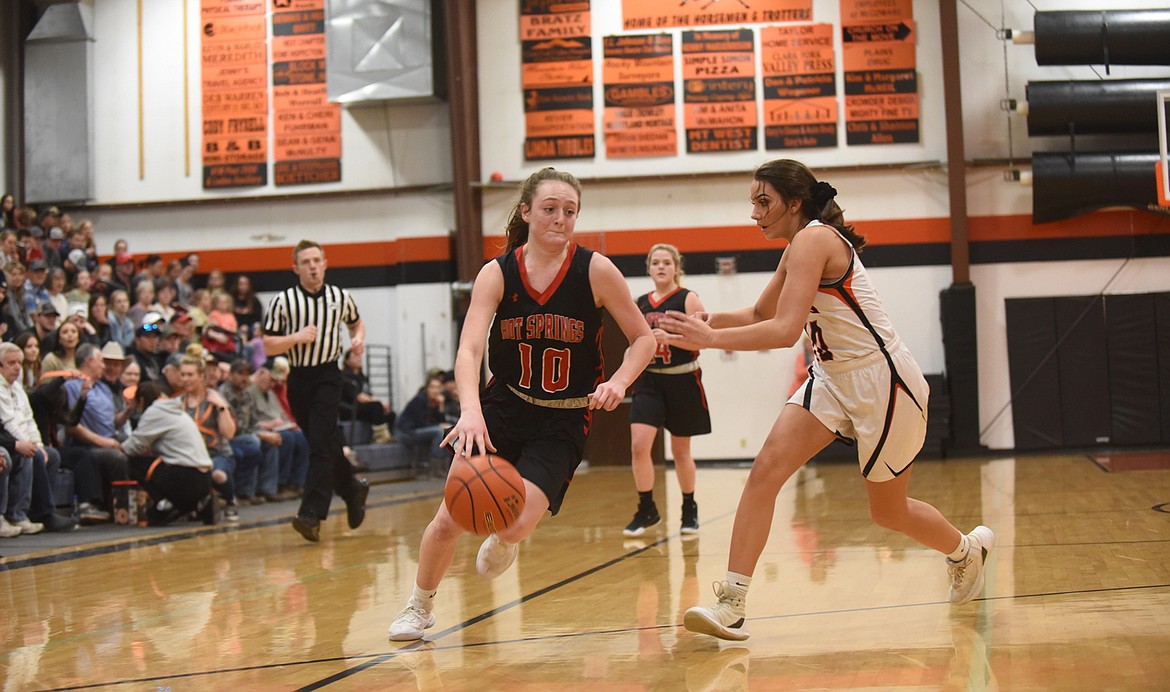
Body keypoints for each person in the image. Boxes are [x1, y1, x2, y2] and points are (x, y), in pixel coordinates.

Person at [658, 159, 994, 641]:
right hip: (833, 379)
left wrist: (707, 342)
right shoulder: (799, 244)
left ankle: (965, 552)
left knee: (888, 513)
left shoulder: (814, 239)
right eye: (752, 202)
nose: (754, 213)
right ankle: (731, 604)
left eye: (763, 201)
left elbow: (784, 330)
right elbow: (758, 311)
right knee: (764, 473)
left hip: (885, 384)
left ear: (794, 203)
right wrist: (701, 323)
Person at [387, 167, 656, 641]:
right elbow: (469, 350)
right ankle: (419, 606)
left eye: (570, 211)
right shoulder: (498, 273)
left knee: (515, 522)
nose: (560, 219)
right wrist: (470, 410)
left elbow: (643, 339)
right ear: (527, 212)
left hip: (564, 419)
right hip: (501, 407)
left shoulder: (595, 270)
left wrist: (619, 380)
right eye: (550, 209)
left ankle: (506, 539)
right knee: (450, 516)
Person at [262, 240, 370, 543]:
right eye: (306, 261)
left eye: (316, 260)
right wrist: (295, 337)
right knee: (323, 442)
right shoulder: (283, 301)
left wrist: (357, 340)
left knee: (320, 445)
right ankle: (352, 489)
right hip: (297, 378)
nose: (312, 266)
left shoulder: (339, 297)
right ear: (296, 268)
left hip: (327, 376)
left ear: (324, 263)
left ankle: (311, 514)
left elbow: (356, 324)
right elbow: (268, 343)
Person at [623, 244, 711, 538]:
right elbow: (635, 343)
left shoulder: (689, 299)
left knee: (680, 450)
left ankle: (689, 508)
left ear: (676, 268)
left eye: (667, 263)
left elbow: (702, 342)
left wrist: (670, 339)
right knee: (639, 446)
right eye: (656, 263)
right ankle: (646, 508)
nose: (661, 267)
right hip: (649, 382)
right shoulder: (639, 303)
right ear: (648, 269)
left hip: (682, 380)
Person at [119, 381, 220, 526]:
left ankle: (163, 503)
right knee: (163, 465)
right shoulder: (176, 411)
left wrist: (118, 446)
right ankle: (201, 504)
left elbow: (133, 447)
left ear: (141, 400)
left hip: (185, 477)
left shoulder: (154, 412)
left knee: (133, 463)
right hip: (204, 477)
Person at [394, 373, 450, 470]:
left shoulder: (435, 401)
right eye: (432, 387)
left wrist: (441, 405)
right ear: (427, 388)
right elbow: (420, 423)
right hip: (405, 432)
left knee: (448, 429)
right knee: (438, 432)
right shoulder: (419, 400)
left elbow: (441, 421)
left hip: (419, 429)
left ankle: (447, 465)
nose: (435, 391)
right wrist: (438, 425)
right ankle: (436, 467)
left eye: (438, 388)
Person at [340, 347, 394, 443]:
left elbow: (369, 394)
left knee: (390, 413)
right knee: (377, 406)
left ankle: (387, 437)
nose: (358, 359)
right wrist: (379, 403)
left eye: (359, 357)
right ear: (347, 361)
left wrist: (383, 404)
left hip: (363, 408)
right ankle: (380, 437)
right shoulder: (346, 377)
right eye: (355, 357)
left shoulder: (362, 377)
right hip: (350, 409)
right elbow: (358, 397)